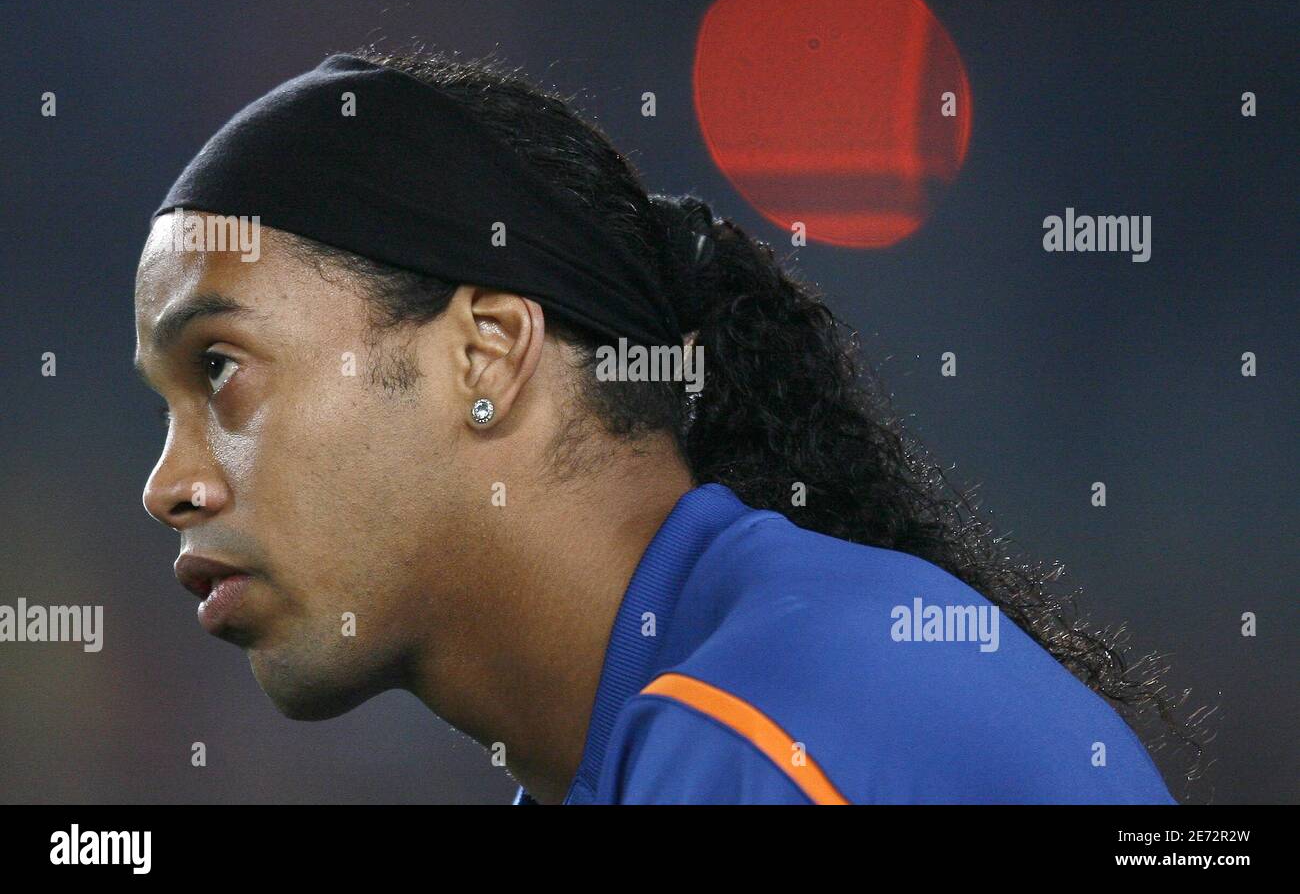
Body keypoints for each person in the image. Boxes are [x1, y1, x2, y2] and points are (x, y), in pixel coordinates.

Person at [134, 49, 1188, 803]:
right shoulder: (704, 703)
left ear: (486, 351)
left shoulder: (759, 739)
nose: (170, 483)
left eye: (220, 367)